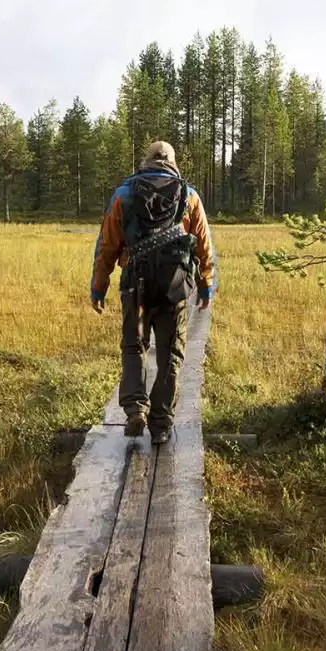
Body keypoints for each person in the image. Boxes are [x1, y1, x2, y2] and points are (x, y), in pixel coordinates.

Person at [90, 141, 216, 444]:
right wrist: (206, 285)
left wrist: (99, 286)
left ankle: (135, 409)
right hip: (174, 288)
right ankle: (161, 425)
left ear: (146, 161)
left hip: (136, 286)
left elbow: (107, 245)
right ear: (173, 162)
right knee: (170, 353)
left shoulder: (124, 194)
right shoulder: (189, 196)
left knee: (134, 346)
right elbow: (203, 244)